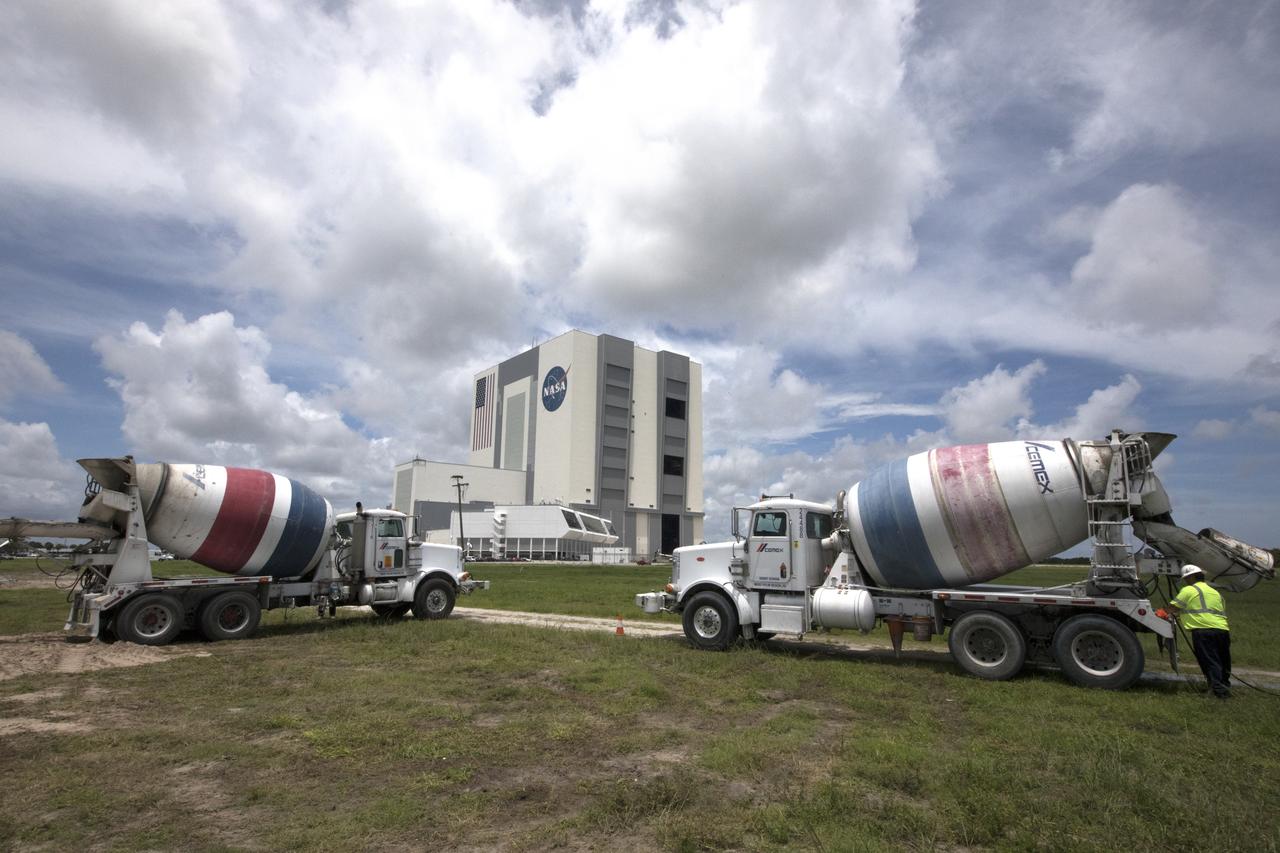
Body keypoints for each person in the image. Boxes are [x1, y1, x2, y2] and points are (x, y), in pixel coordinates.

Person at [1168, 564, 1231, 698]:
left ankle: (1217, 692)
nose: (1185, 581)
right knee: (1223, 660)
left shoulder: (1189, 590)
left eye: (1186, 578)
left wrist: (1161, 613)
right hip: (1222, 629)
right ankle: (1224, 686)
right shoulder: (1214, 592)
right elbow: (1206, 609)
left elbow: (1171, 609)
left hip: (1203, 631)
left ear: (1191, 577)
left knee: (1209, 661)